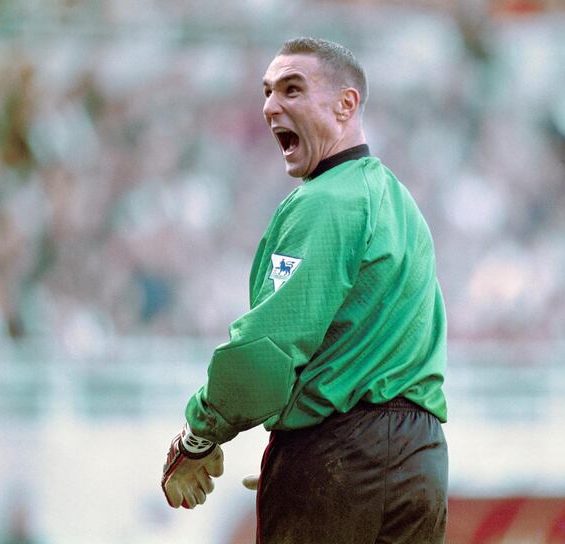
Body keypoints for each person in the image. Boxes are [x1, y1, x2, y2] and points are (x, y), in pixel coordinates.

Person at [161, 37, 448, 543]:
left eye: (292, 90)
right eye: (268, 92)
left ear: (346, 104)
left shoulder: (323, 202)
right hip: (419, 462)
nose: (272, 106)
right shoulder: (399, 203)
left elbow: (263, 353)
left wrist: (199, 436)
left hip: (343, 452)